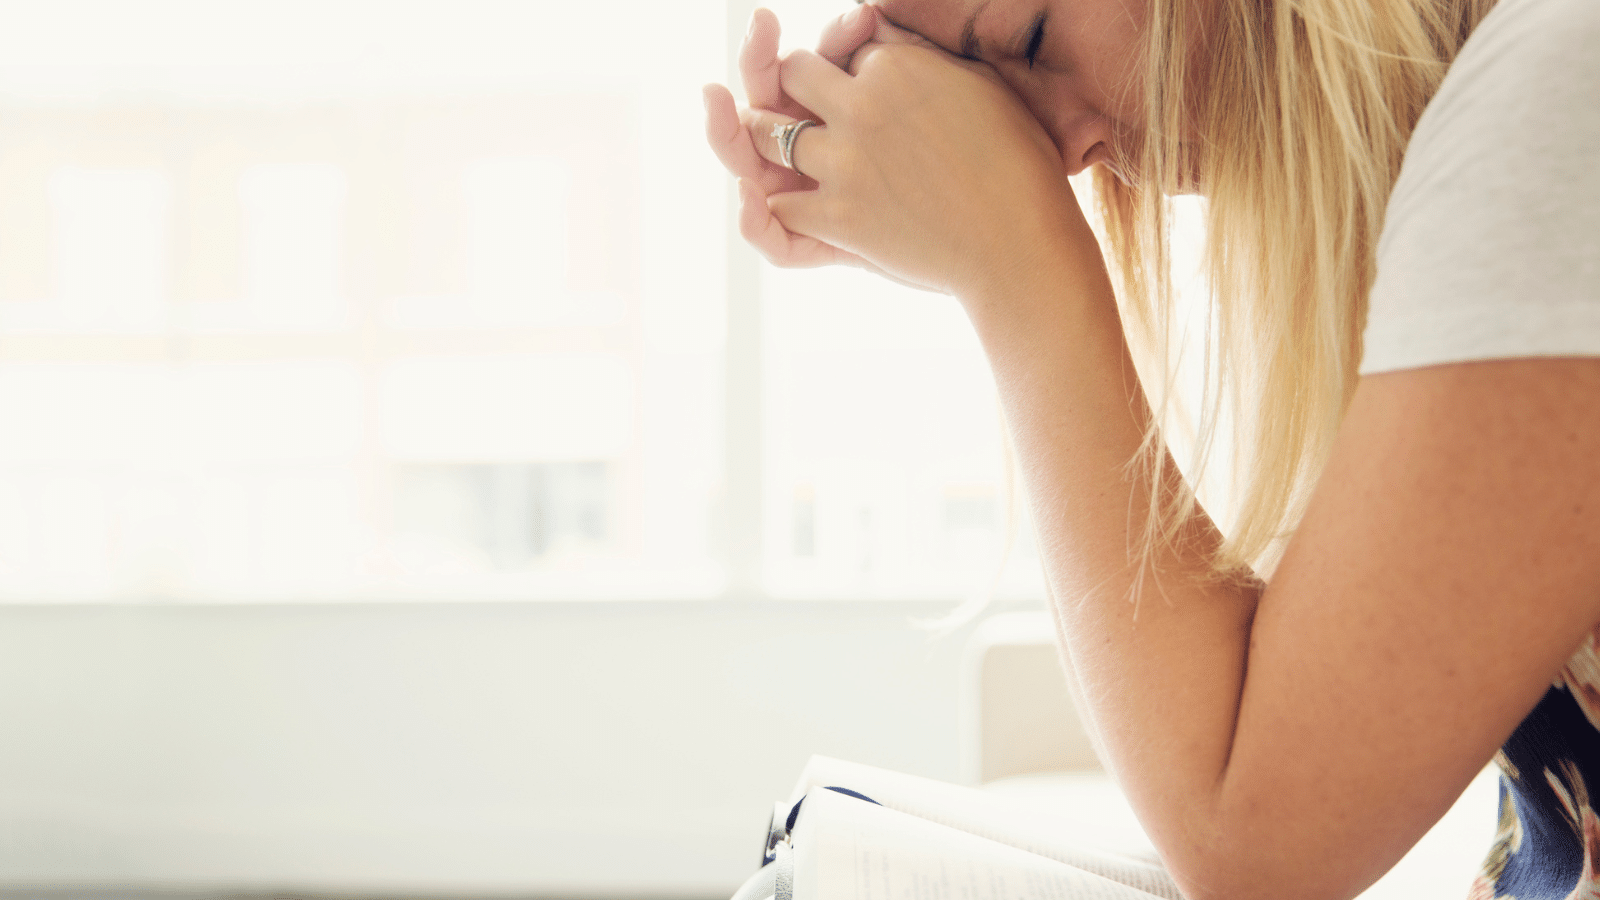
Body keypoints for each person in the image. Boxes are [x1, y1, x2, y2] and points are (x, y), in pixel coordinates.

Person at [702, 0, 1600, 897]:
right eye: (982, 94)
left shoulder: (1560, 88)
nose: (1059, 155)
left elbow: (1252, 844)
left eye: (1033, 40)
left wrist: (1011, 255)